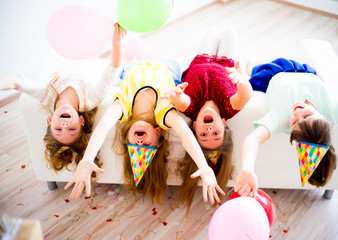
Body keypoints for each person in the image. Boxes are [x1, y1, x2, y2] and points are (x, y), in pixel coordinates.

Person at [64, 25, 225, 205]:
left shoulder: (124, 108)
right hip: (169, 67)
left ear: (128, 137)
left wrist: (87, 159)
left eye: (136, 145)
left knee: (120, 69)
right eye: (147, 145)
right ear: (157, 132)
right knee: (197, 61)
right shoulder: (163, 112)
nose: (140, 142)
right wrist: (203, 166)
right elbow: (184, 132)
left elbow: (103, 125)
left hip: (133, 66)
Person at [0, 23, 126, 178]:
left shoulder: (46, 96)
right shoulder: (92, 99)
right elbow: (114, 66)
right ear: (81, 121)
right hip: (91, 54)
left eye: (58, 129)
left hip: (69, 49)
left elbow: (16, 82)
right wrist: (116, 41)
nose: (65, 126)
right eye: (71, 129)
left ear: (50, 119)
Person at [234, 58, 338, 197]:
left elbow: (252, 140)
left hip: (274, 74)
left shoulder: (281, 118)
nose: (297, 113)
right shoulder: (334, 113)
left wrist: (247, 169)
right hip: (305, 71)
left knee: (254, 69)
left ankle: (252, 68)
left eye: (294, 123)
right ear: (324, 118)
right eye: (306, 116)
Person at [161, 29, 253, 208]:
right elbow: (245, 97)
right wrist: (243, 82)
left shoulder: (191, 109)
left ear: (194, 126)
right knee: (231, 33)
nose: (209, 131)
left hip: (200, 60)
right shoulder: (228, 107)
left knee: (210, 32)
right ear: (224, 123)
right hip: (227, 63)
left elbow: (182, 101)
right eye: (216, 133)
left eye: (203, 135)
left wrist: (176, 95)